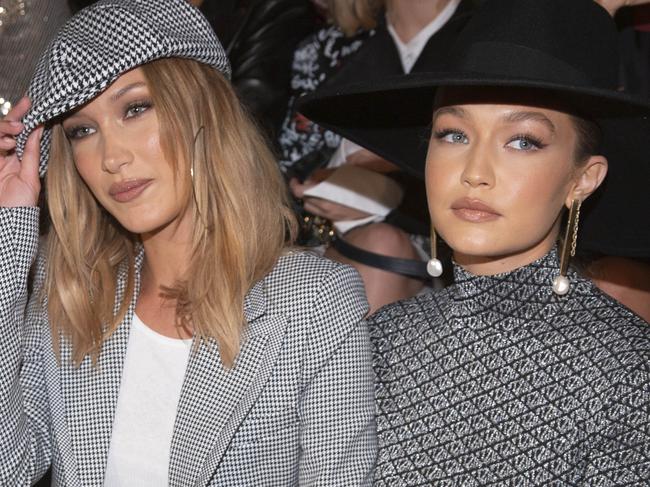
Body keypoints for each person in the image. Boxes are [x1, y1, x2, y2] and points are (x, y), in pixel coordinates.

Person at [0, 1, 376, 485]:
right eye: (83, 131)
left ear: (203, 113)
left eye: (135, 109)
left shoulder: (313, 301)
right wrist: (10, 232)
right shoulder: (73, 295)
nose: (112, 156)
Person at [298, 0, 650, 484]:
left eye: (523, 141)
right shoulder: (375, 340)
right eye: (453, 135)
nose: (475, 173)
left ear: (582, 179)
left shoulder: (626, 371)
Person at [279, 0, 477, 312]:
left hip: (439, 248)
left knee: (382, 244)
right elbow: (290, 169)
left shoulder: (485, 40)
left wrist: (385, 193)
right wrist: (322, 190)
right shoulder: (325, 48)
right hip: (318, 234)